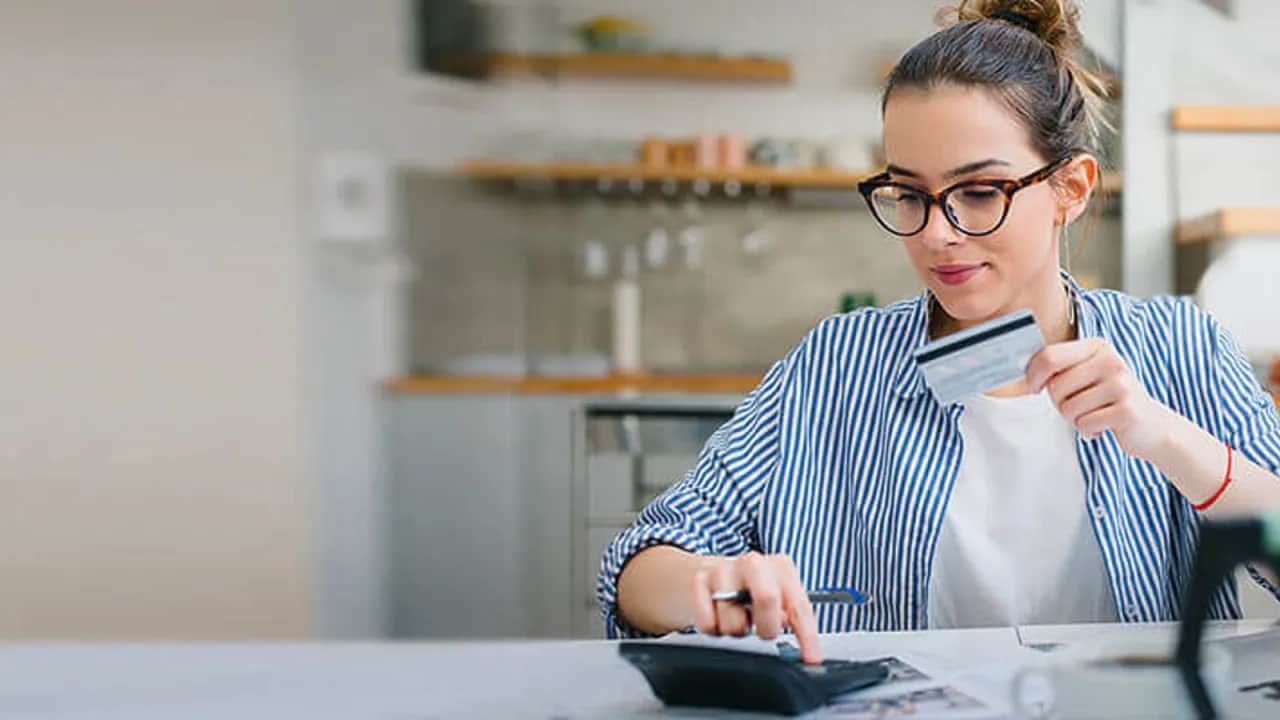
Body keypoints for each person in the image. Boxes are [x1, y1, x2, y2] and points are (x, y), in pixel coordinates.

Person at [597, 0, 1280, 664]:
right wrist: (712, 588)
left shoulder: (1179, 347)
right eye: (909, 194)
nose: (938, 235)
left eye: (979, 192)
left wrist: (1168, 440)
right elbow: (642, 562)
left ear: (1070, 188)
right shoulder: (837, 364)